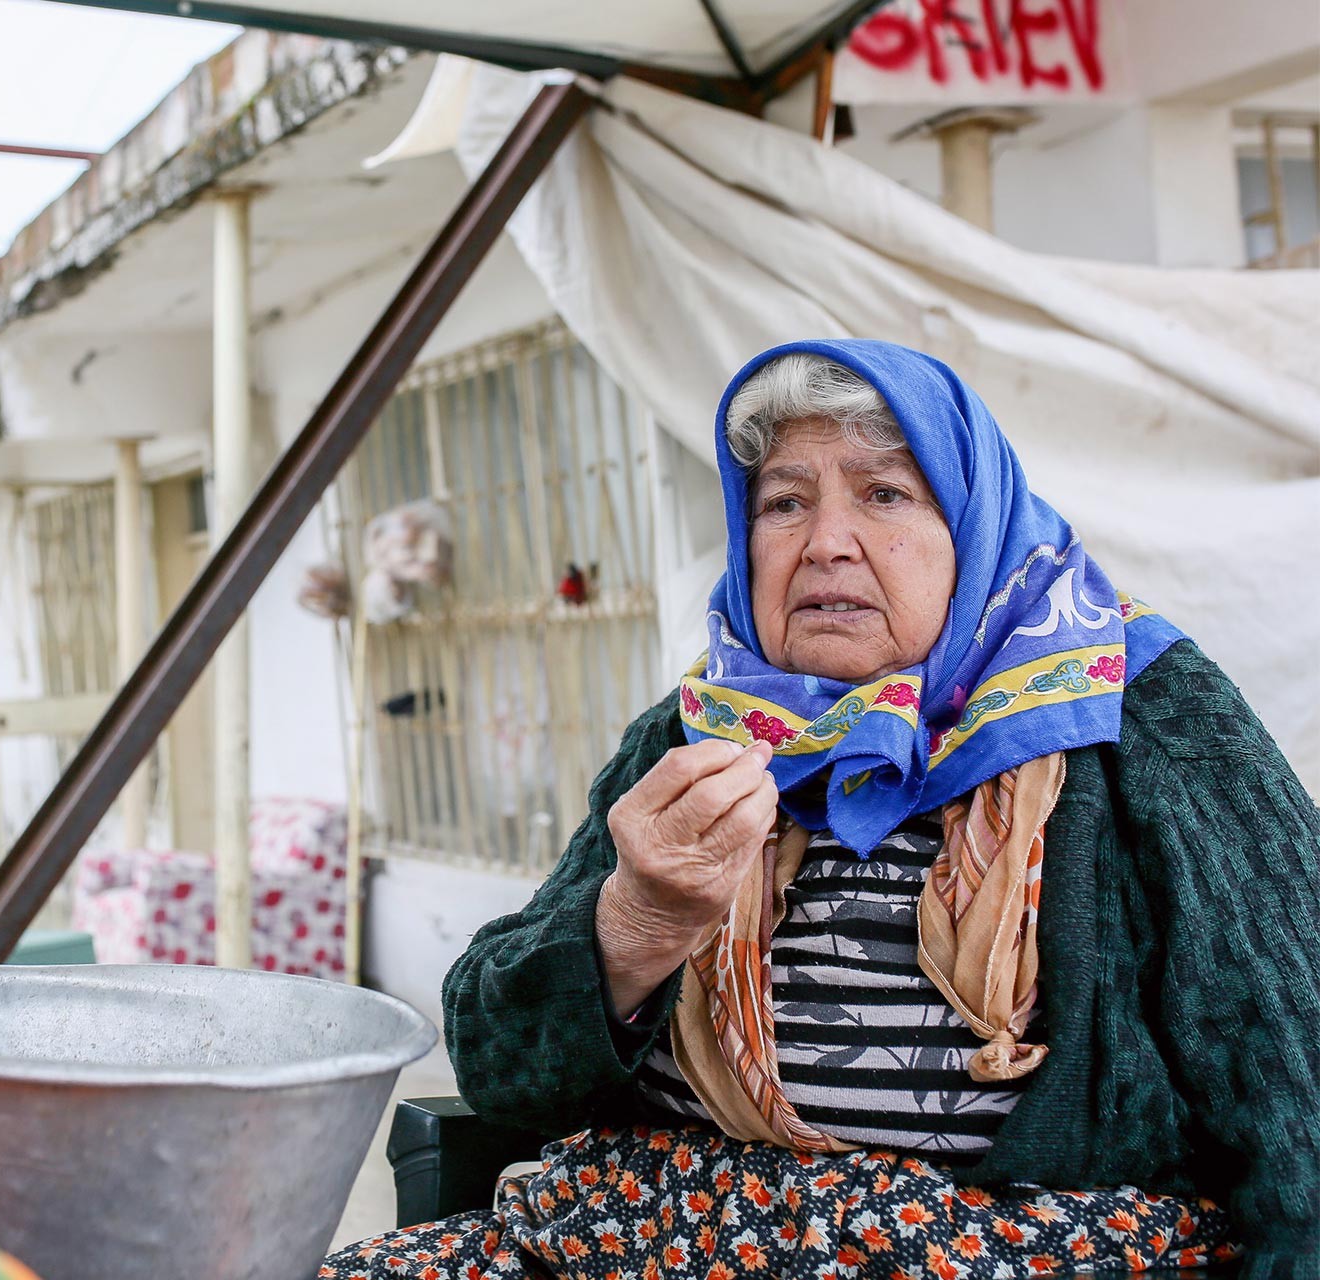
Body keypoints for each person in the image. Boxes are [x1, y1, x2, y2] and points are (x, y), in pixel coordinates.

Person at [324, 340, 1320, 1279]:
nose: (825, 543)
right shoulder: (694, 732)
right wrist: (635, 924)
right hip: (660, 1232)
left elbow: (1299, 1091)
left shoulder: (1138, 716)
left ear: (974, 525)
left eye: (885, 494)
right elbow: (500, 1067)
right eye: (783, 503)